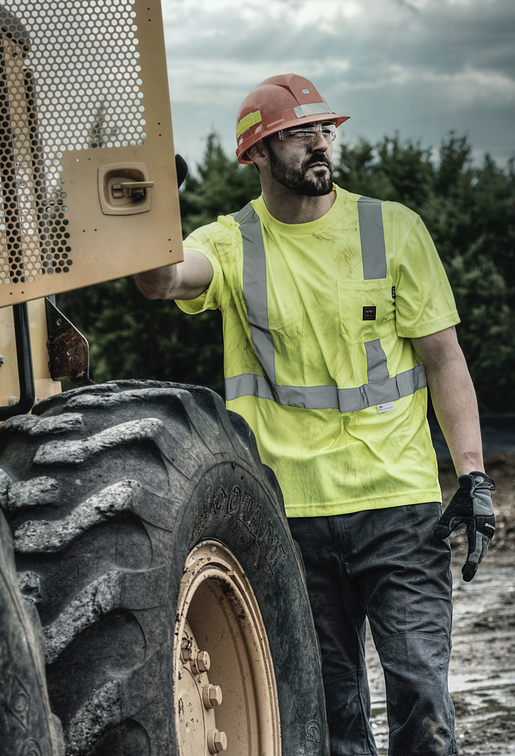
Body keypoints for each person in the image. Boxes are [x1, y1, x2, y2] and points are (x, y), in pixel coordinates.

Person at [135, 73, 496, 756]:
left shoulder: (392, 230)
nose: (320, 143)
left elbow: (446, 360)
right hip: (292, 523)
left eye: (325, 129)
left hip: (400, 508)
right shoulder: (233, 241)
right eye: (299, 134)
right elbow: (161, 279)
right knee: (331, 717)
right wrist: (153, 205)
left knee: (422, 695)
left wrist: (473, 476)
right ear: (258, 154)